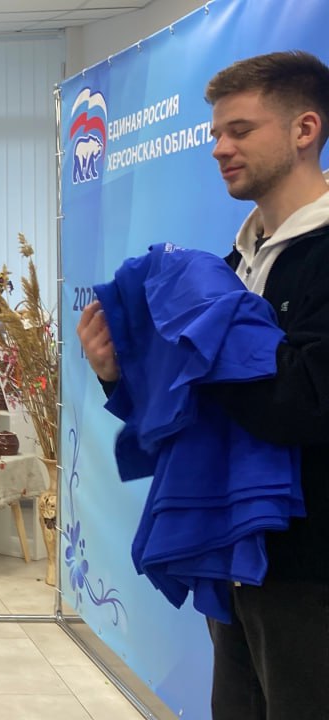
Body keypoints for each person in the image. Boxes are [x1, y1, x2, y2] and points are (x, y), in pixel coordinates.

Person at [77, 50, 329, 718]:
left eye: (240, 130)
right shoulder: (234, 265)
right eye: (216, 132)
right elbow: (195, 411)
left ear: (304, 130)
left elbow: (308, 404)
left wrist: (206, 343)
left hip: (311, 568)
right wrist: (116, 374)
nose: (219, 148)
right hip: (237, 555)